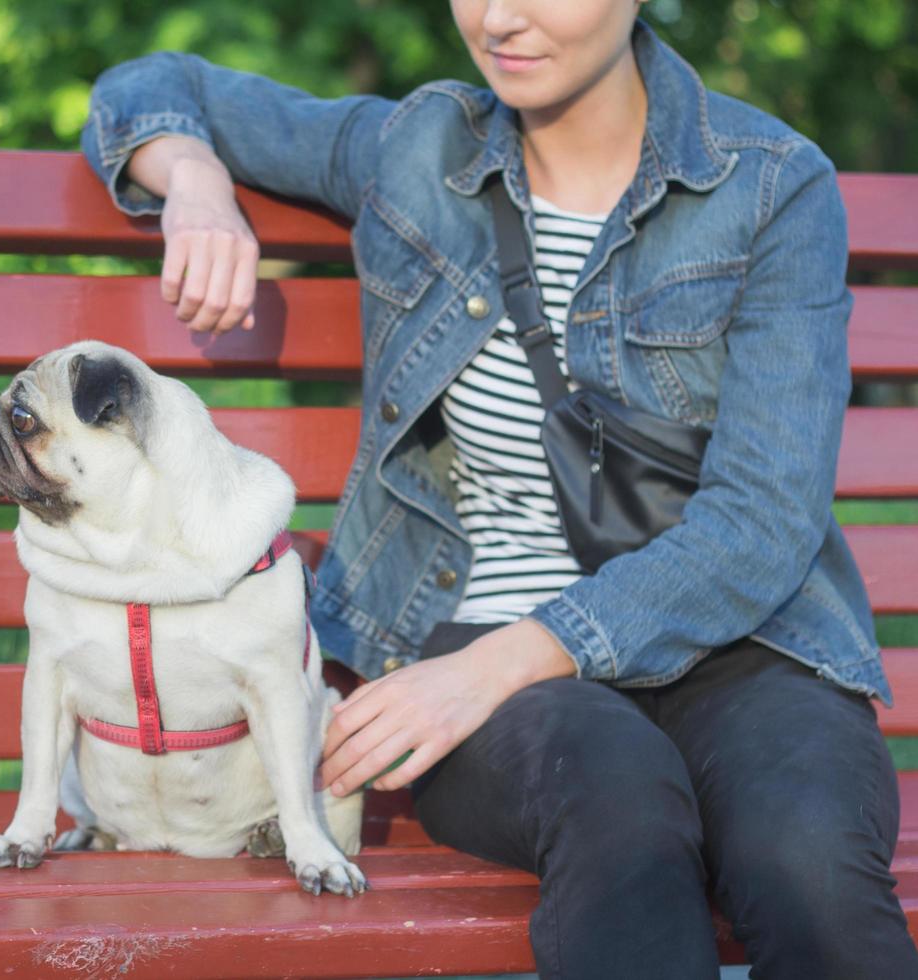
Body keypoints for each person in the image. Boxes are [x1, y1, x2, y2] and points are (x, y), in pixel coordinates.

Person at [80, 2, 918, 976]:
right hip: (471, 647)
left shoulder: (769, 184)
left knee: (806, 858)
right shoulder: (415, 148)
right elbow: (147, 87)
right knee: (620, 811)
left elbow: (764, 521)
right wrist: (194, 180)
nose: (500, 17)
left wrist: (511, 661)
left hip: (740, 644)